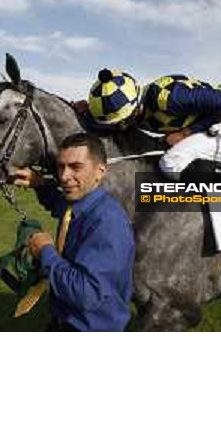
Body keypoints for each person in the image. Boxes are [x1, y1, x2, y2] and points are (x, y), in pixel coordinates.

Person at [9, 131, 135, 332]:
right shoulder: (82, 204)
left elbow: (87, 293)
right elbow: (59, 204)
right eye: (61, 166)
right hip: (64, 319)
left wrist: (46, 252)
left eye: (76, 167)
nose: (64, 176)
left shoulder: (107, 222)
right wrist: (38, 183)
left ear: (100, 171)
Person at [79, 68, 221, 179]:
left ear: (133, 109)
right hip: (213, 126)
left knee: (171, 162)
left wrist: (185, 133)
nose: (122, 126)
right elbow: (107, 127)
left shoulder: (171, 98)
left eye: (122, 121)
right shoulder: (135, 103)